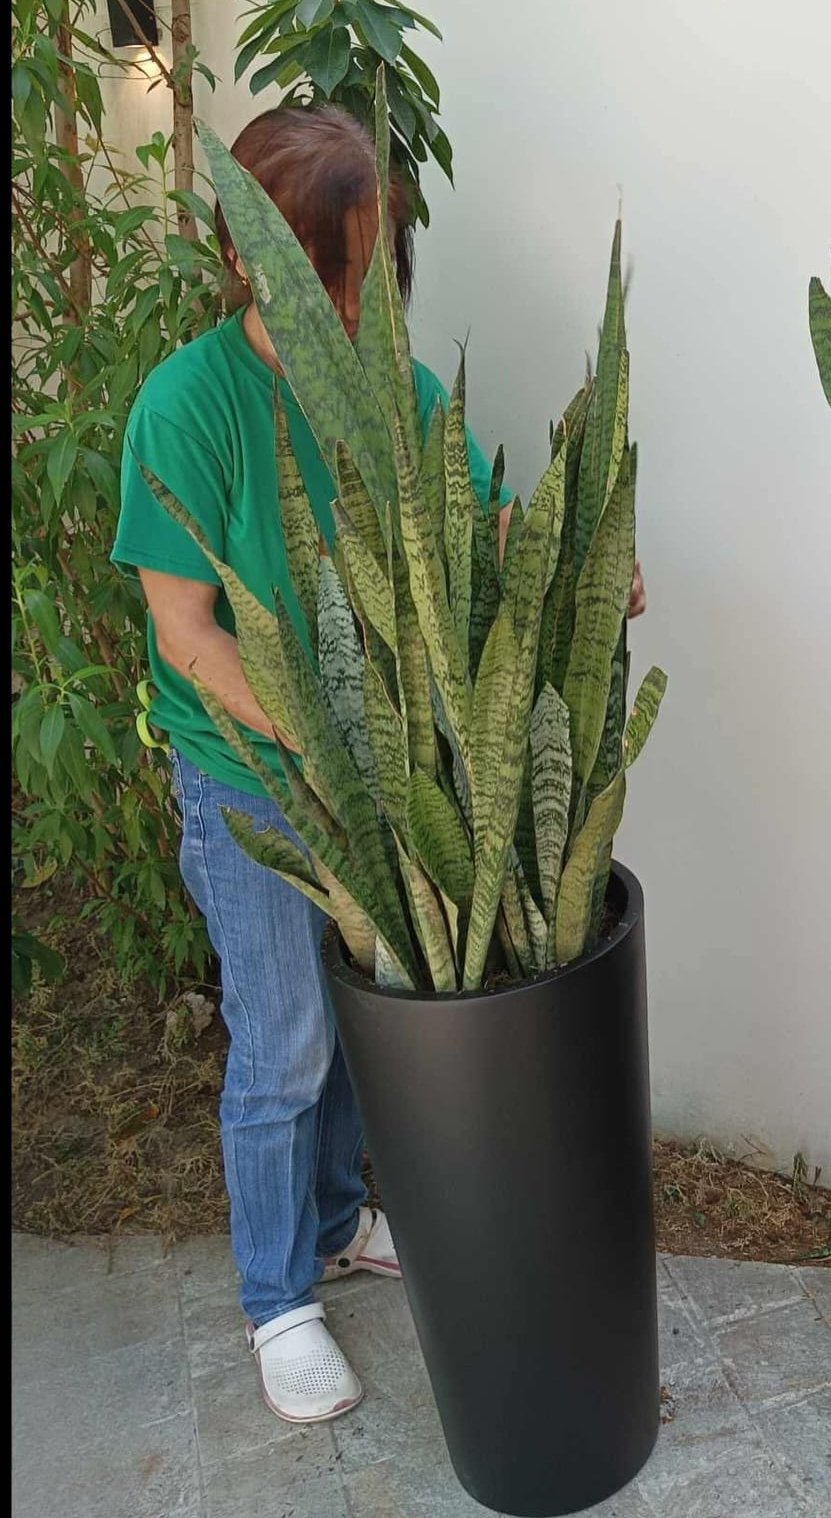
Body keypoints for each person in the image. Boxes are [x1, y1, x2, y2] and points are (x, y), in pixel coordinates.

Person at [111, 105, 645, 1426]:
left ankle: (343, 1221)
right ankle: (277, 1297)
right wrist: (313, 735)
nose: (356, 297)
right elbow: (185, 633)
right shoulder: (188, 403)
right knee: (286, 1039)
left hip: (379, 771)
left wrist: (573, 556)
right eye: (333, 268)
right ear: (254, 256)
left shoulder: (395, 392)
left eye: (373, 267)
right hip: (250, 777)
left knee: (367, 1018)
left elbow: (474, 531)